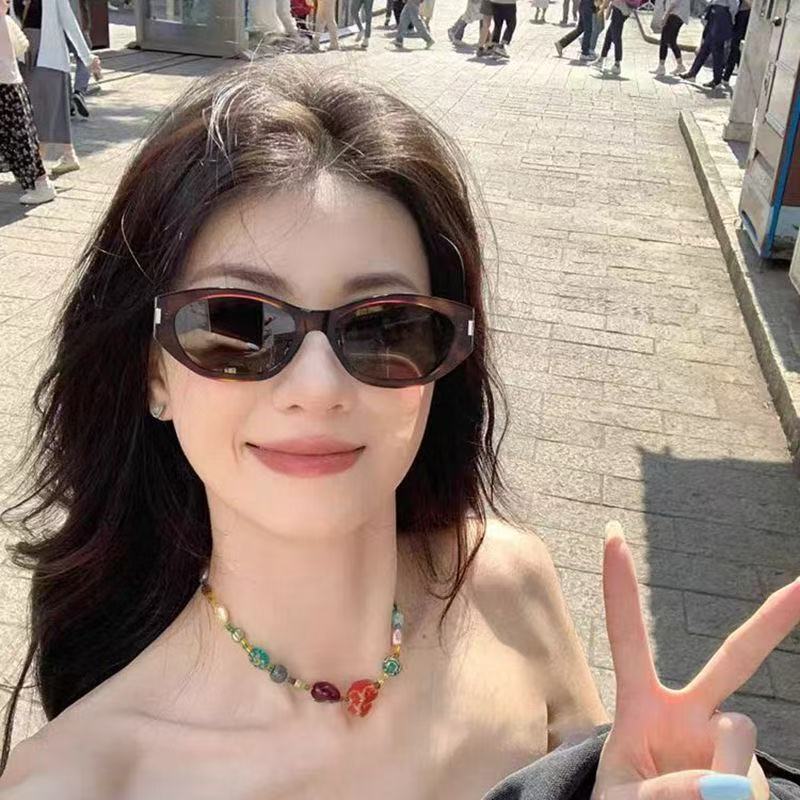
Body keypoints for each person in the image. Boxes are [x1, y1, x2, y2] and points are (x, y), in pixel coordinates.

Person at [0, 60, 799, 800]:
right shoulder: (78, 781)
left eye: (385, 326)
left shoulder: (508, 588)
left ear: (443, 364)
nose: (317, 389)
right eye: (237, 324)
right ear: (152, 372)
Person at [13, 0, 99, 178]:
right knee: (38, 108)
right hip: (24, 56)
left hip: (48, 55)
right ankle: (68, 156)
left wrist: (87, 58)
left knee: (41, 108)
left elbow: (69, 22)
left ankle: (38, 167)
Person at [0, 0, 55, 203]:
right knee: (21, 138)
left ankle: (42, 185)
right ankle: (41, 184)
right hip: (11, 83)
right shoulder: (5, 18)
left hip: (7, 86)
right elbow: (22, 45)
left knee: (21, 140)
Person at [679, 0, 738, 89]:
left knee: (717, 50)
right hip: (714, 13)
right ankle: (693, 73)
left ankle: (717, 80)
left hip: (721, 15)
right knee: (705, 48)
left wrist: (729, 18)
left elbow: (734, 5)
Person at [593, 0, 634, 74]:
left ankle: (617, 64)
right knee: (609, 35)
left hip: (620, 9)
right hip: (622, 9)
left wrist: (602, 9)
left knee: (616, 37)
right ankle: (602, 59)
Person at [654, 0, 689, 75]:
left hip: (674, 15)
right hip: (679, 16)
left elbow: (674, 3)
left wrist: (665, 16)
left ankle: (661, 67)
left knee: (664, 41)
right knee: (672, 41)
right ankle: (680, 65)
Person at [722, 0, 750, 86]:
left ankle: (727, 76)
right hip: (741, 12)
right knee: (736, 48)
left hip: (744, 12)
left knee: (735, 47)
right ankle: (739, 75)